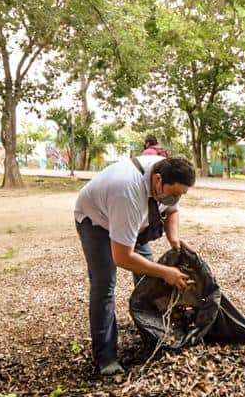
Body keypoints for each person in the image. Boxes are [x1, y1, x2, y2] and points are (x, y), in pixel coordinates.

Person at [74, 155, 196, 375]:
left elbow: (172, 211)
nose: (176, 198)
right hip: (97, 222)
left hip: (133, 225)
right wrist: (165, 272)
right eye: (174, 193)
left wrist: (174, 238)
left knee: (149, 278)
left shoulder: (168, 172)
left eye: (181, 194)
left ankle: (153, 332)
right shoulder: (127, 192)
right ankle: (105, 358)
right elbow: (122, 257)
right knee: (105, 285)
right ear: (158, 180)